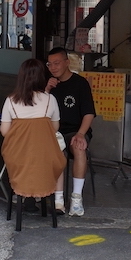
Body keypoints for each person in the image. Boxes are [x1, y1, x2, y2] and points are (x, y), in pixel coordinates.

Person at [0, 58, 66, 203]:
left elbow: (5, 132)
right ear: (41, 77)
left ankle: (22, 193)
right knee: (59, 153)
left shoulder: (10, 100)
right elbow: (54, 128)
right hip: (44, 158)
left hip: (18, 159)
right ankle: (57, 199)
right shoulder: (50, 100)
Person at [45, 46, 96, 216]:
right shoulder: (49, 84)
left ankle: (76, 198)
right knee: (57, 151)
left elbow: (89, 113)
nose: (53, 68)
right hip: (54, 132)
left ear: (67, 63)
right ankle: (58, 200)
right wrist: (46, 91)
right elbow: (40, 110)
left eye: (57, 63)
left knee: (79, 148)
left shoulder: (80, 83)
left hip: (76, 130)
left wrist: (81, 134)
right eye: (50, 64)